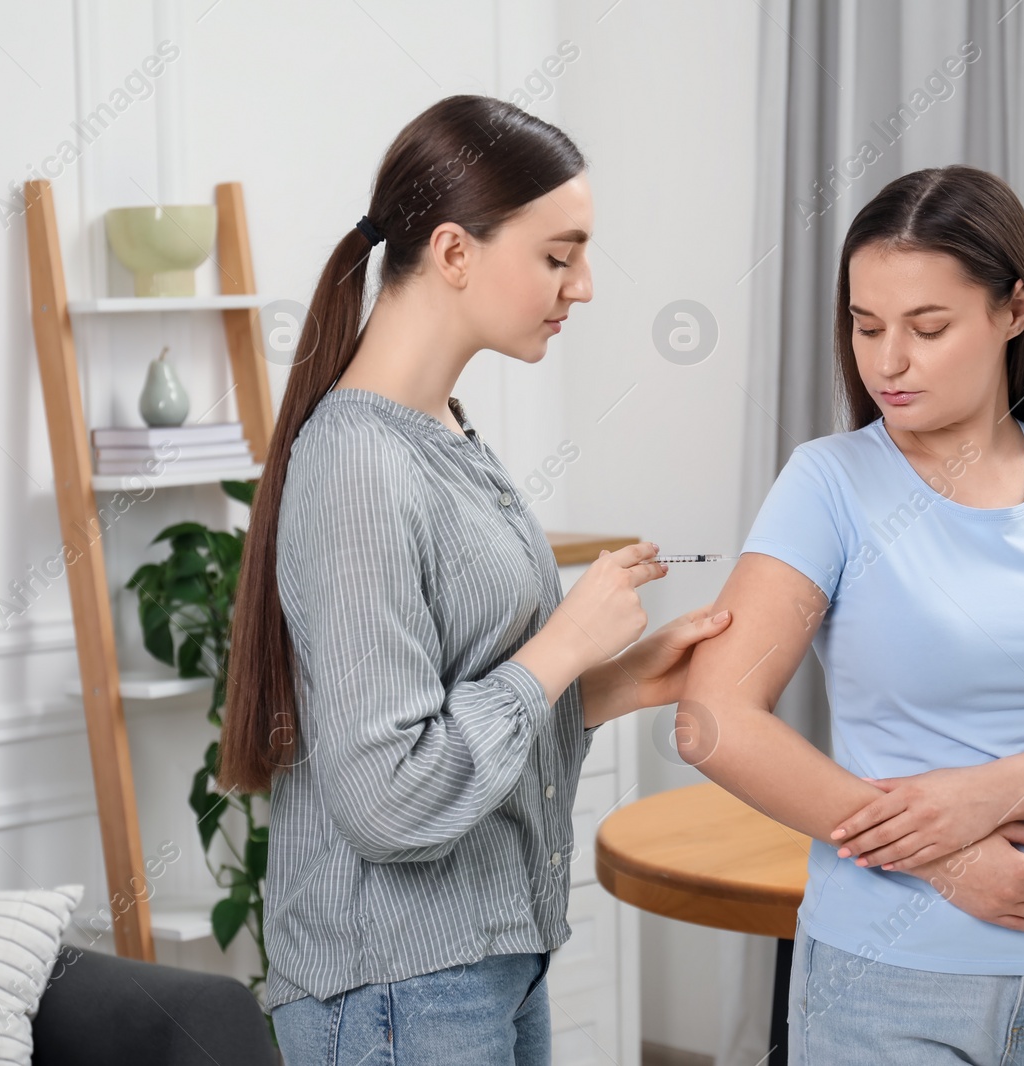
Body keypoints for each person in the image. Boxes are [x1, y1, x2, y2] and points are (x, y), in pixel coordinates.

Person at [217, 94, 733, 1065]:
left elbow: (464, 701)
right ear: (453, 252)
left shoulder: (446, 434)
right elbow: (389, 798)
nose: (581, 286)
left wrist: (621, 678)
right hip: (396, 989)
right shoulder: (360, 464)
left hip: (484, 967)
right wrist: (568, 641)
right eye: (557, 254)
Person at [680, 165, 1024, 1064]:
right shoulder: (829, 484)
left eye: (927, 328)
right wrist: (940, 856)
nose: (887, 361)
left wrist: (987, 794)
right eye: (865, 326)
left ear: (1014, 312)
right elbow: (713, 720)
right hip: (885, 988)